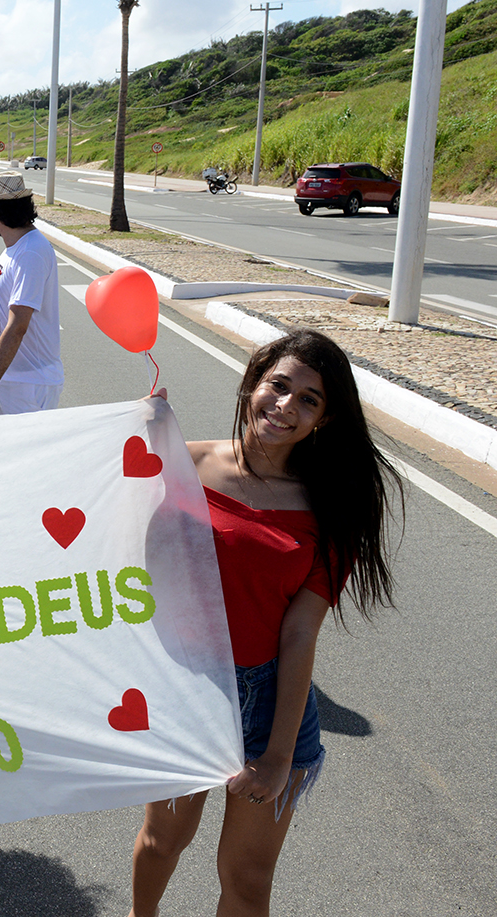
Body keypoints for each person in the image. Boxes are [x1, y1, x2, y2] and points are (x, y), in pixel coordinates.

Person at [127, 329, 400, 917]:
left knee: (248, 879)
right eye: (279, 385)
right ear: (251, 382)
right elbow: (119, 554)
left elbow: (301, 630)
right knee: (162, 842)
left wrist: (278, 755)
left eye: (310, 399)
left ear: (325, 420)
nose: (286, 406)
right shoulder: (182, 463)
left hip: (272, 704)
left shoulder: (333, 507)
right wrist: (141, 446)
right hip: (188, 691)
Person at [0, 172, 63, 418]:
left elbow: (18, 324)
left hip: (24, 386)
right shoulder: (18, 248)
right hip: (6, 379)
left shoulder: (30, 252)